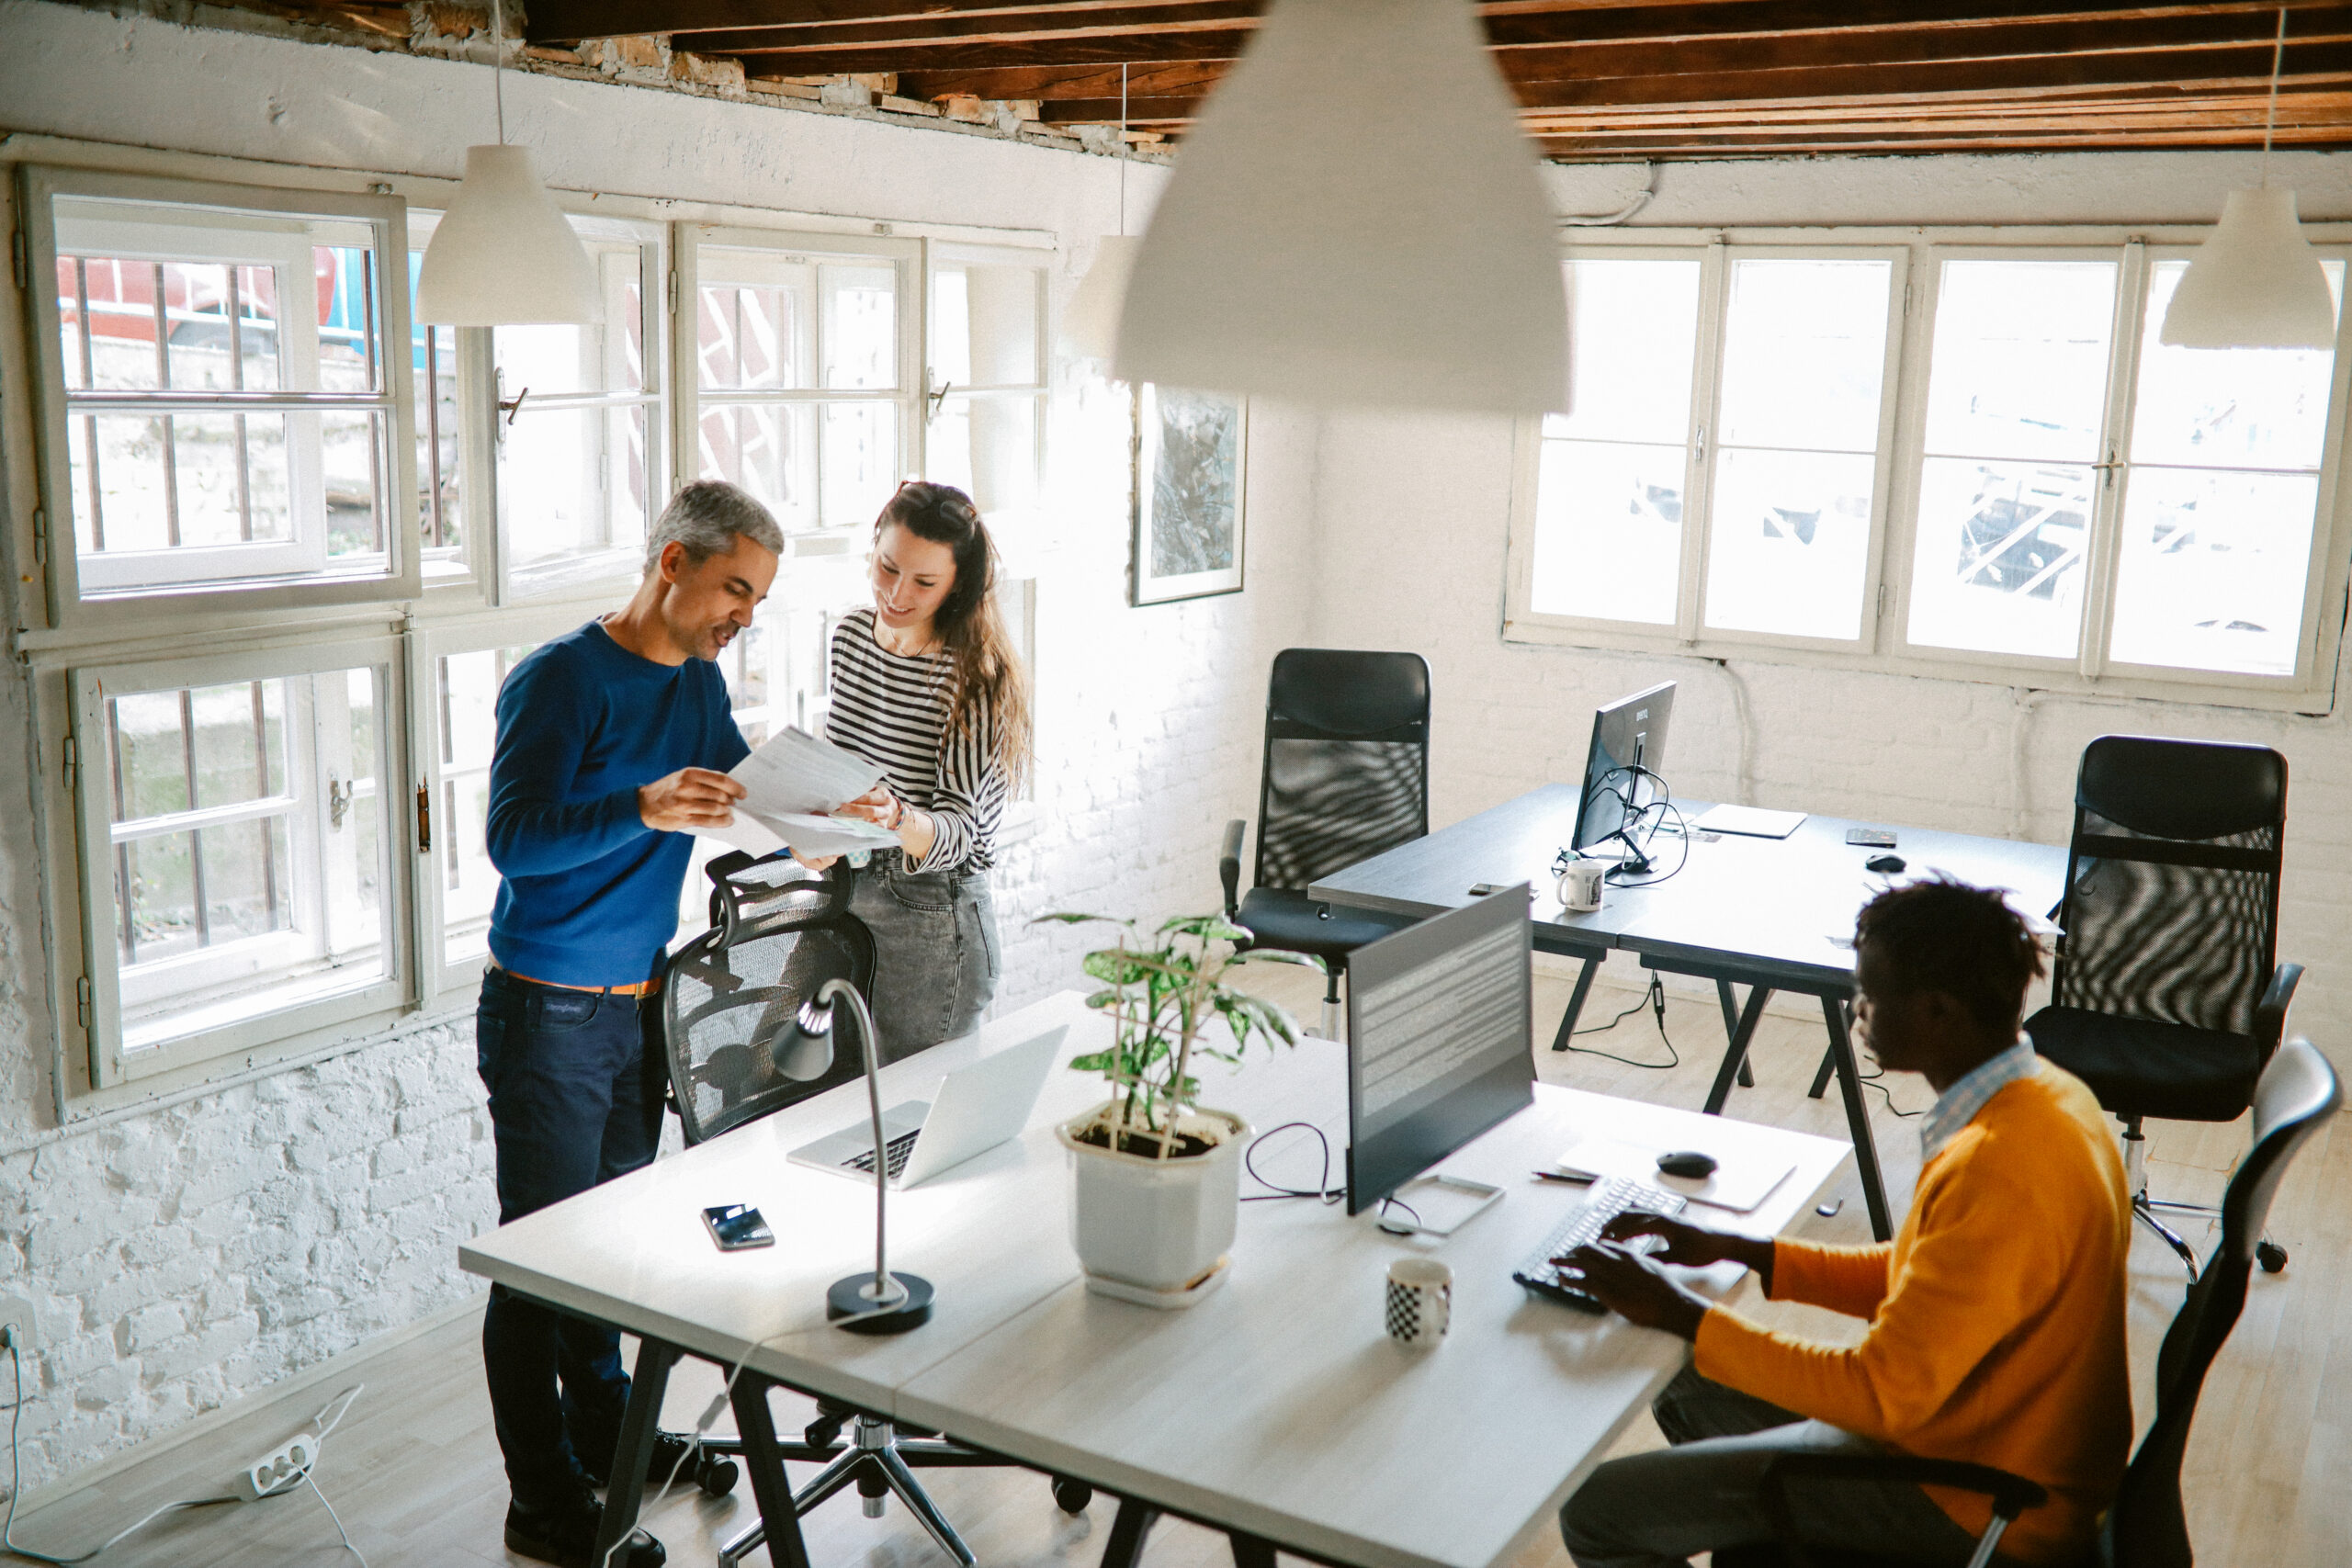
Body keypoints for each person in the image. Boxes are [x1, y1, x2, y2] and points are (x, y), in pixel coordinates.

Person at [1556, 877, 2132, 1568]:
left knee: (1597, 1510)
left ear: (1937, 1010)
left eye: (1871, 995)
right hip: (1966, 1439)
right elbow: (1924, 1275)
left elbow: (1881, 1394)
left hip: (1974, 1497)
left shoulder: (2000, 1165)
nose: (1857, 1012)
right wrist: (1748, 1250)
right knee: (1682, 1371)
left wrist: (1682, 1311)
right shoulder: (2049, 1092)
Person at [476, 479, 781, 1568]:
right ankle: (543, 1501)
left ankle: (608, 1434)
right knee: (538, 1260)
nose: (741, 616)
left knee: (605, 1246)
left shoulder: (696, 682)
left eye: (757, 600)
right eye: (732, 590)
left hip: (638, 1003)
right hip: (548, 1010)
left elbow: (744, 784)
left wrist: (823, 821)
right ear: (673, 564)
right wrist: (640, 807)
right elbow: (514, 840)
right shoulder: (561, 681)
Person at [808, 480, 1031, 1063]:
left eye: (925, 582)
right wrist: (814, 837)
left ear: (958, 585)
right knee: (837, 1110)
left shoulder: (974, 677)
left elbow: (965, 833)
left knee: (919, 1121)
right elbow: (837, 772)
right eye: (887, 568)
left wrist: (899, 818)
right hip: (845, 891)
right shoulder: (852, 637)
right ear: (872, 551)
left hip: (931, 914)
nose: (897, 593)